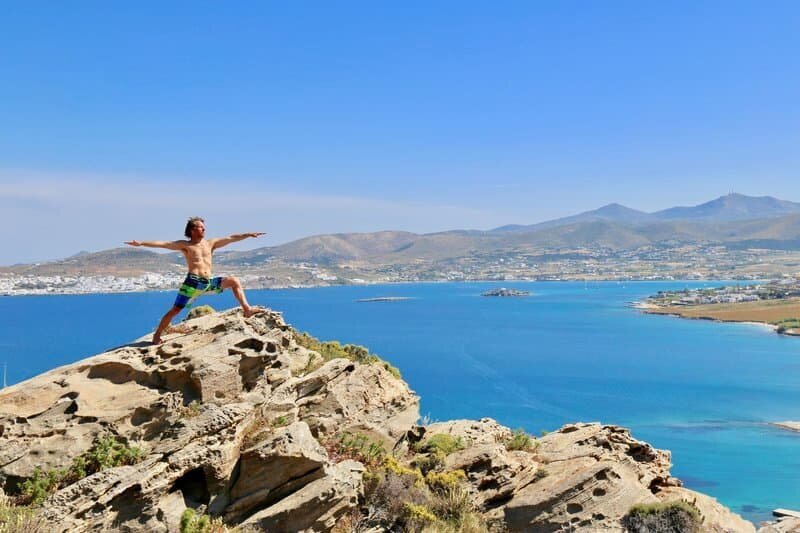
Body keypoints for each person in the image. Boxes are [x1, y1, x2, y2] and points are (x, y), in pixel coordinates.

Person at [125, 217, 266, 344]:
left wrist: (247, 235)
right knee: (175, 310)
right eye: (200, 227)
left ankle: (247, 309)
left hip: (207, 283)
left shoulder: (211, 243)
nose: (204, 229)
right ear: (192, 230)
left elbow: (231, 237)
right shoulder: (186, 245)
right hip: (192, 283)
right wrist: (141, 243)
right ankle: (157, 336)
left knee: (234, 281)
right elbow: (164, 244)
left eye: (204, 227)